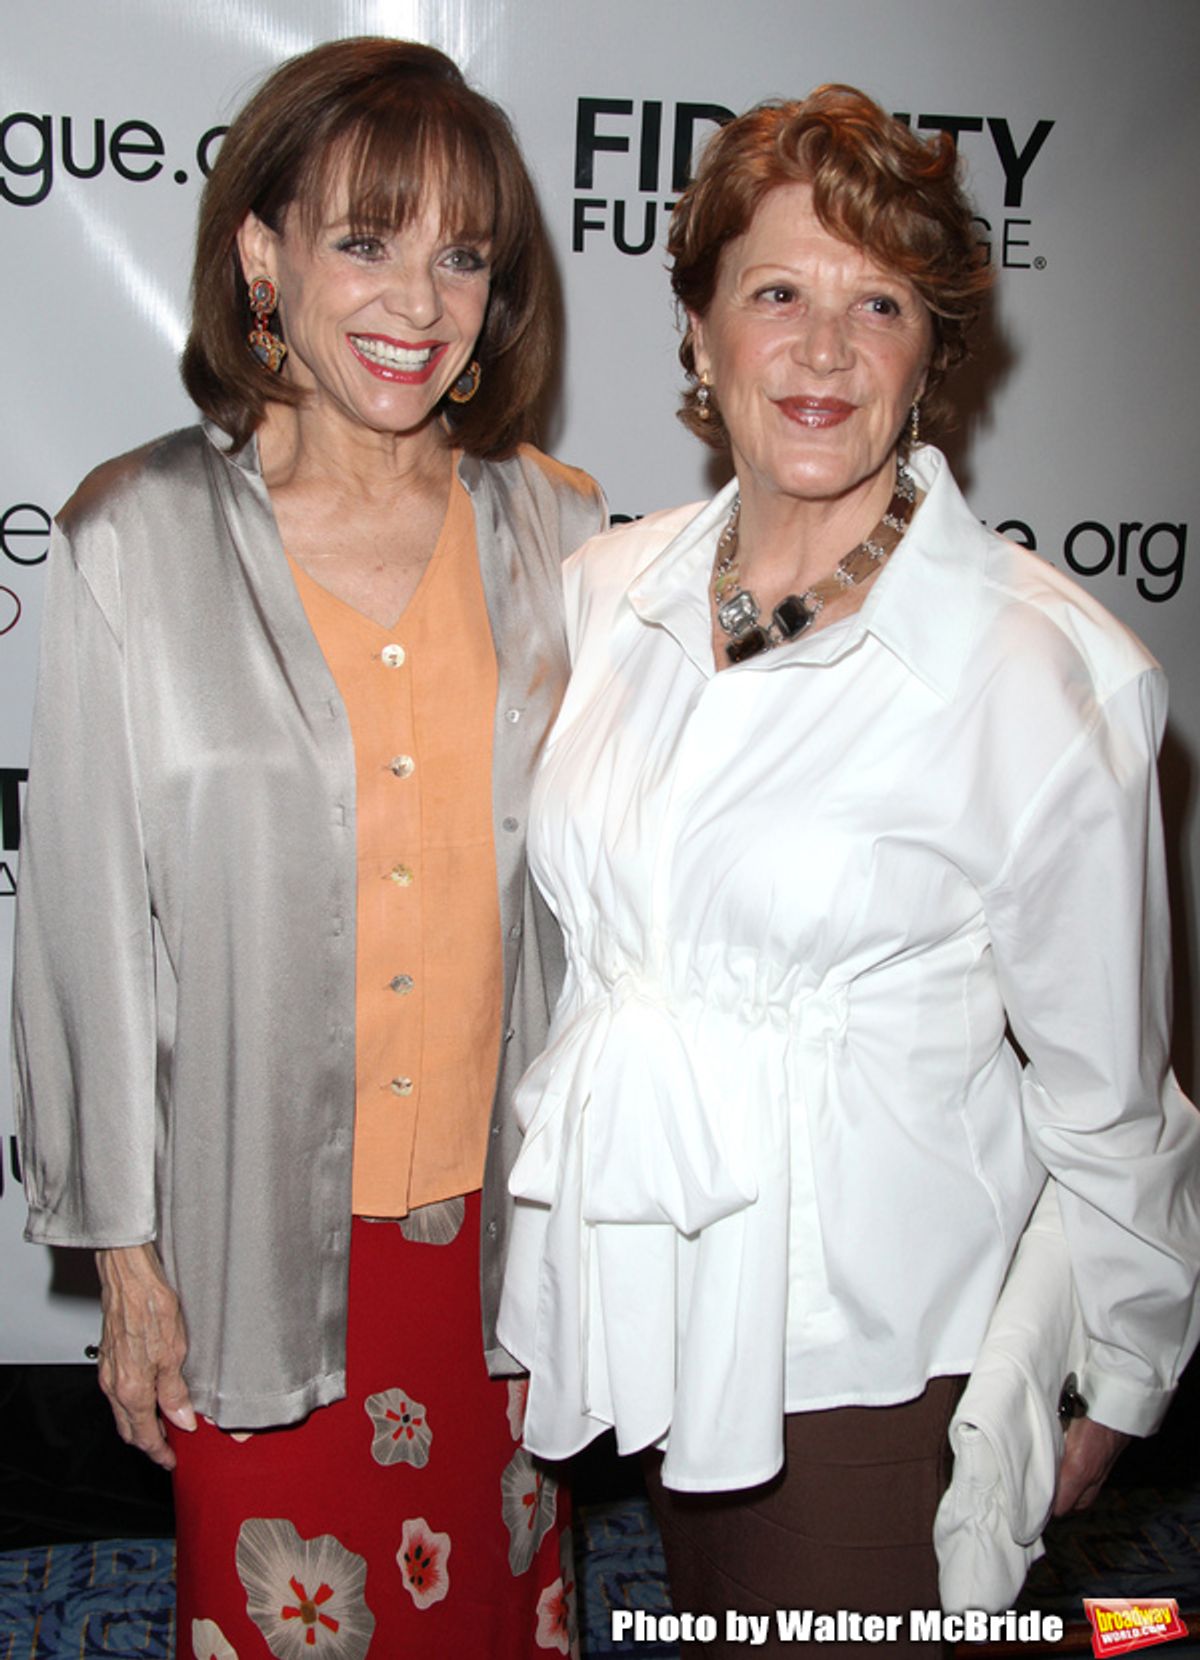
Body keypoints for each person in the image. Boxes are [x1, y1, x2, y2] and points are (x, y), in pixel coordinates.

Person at [496, 85, 1200, 1651]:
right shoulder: (607, 593)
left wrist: (1119, 1364)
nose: (824, 349)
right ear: (700, 335)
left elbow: (1106, 1087)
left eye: (877, 302)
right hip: (663, 1307)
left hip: (879, 1355)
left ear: (930, 354)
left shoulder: (1045, 674)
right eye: (778, 294)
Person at [12, 38, 605, 1659]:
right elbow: (82, 925)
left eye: (462, 254)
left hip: (499, 1248)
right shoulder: (133, 534)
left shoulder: (566, 533)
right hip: (245, 1243)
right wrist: (128, 1266)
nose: (419, 300)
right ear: (260, 249)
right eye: (366, 238)